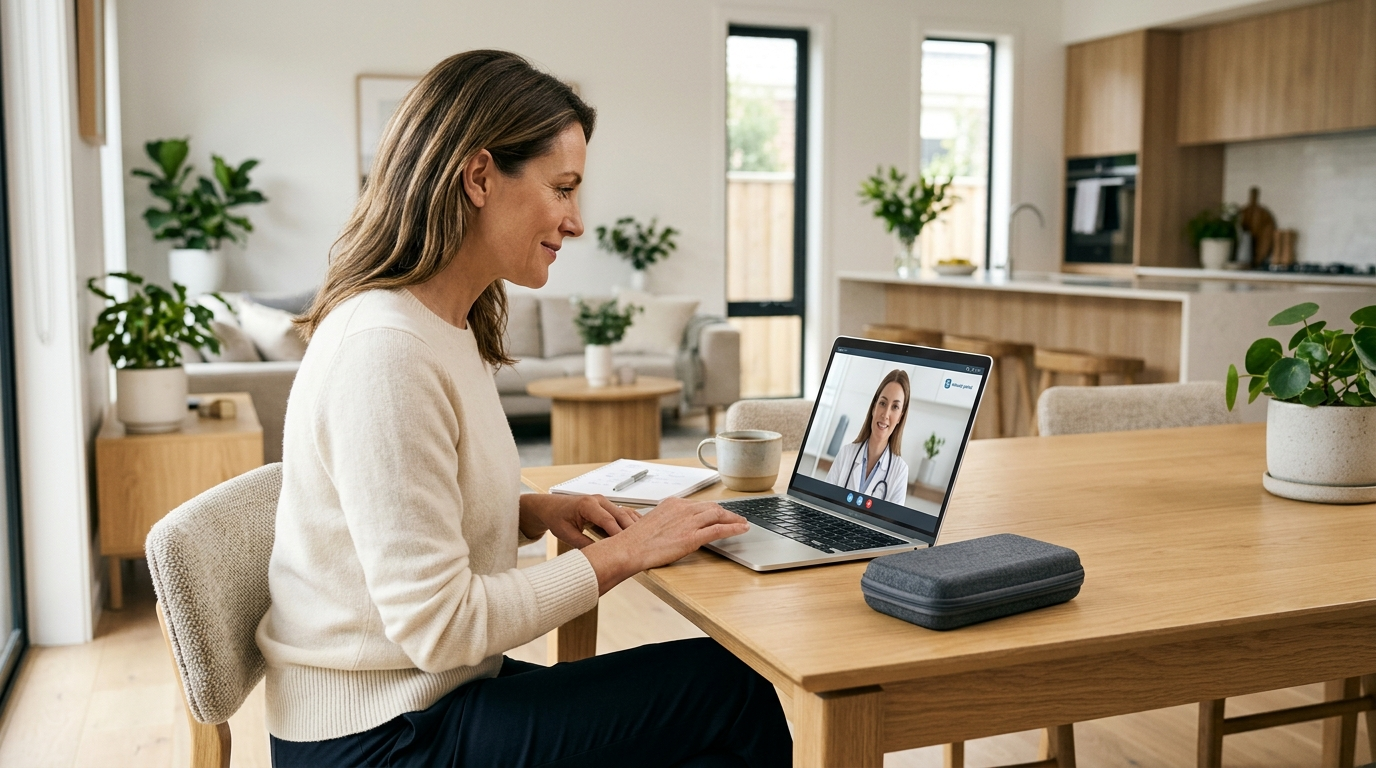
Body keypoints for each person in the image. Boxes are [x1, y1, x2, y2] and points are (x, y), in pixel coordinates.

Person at [256, 50, 791, 768]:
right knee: (729, 694)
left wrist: (531, 512)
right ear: (479, 176)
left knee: (709, 697)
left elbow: (402, 515)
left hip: (423, 694)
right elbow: (440, 627)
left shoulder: (447, 324)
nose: (575, 221)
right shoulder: (384, 351)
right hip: (376, 735)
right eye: (562, 188)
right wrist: (625, 551)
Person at [825, 369, 911, 504]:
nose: (885, 414)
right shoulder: (846, 453)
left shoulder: (900, 471)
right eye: (883, 403)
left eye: (895, 407)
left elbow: (890, 525)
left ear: (900, 416)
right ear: (874, 407)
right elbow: (824, 504)